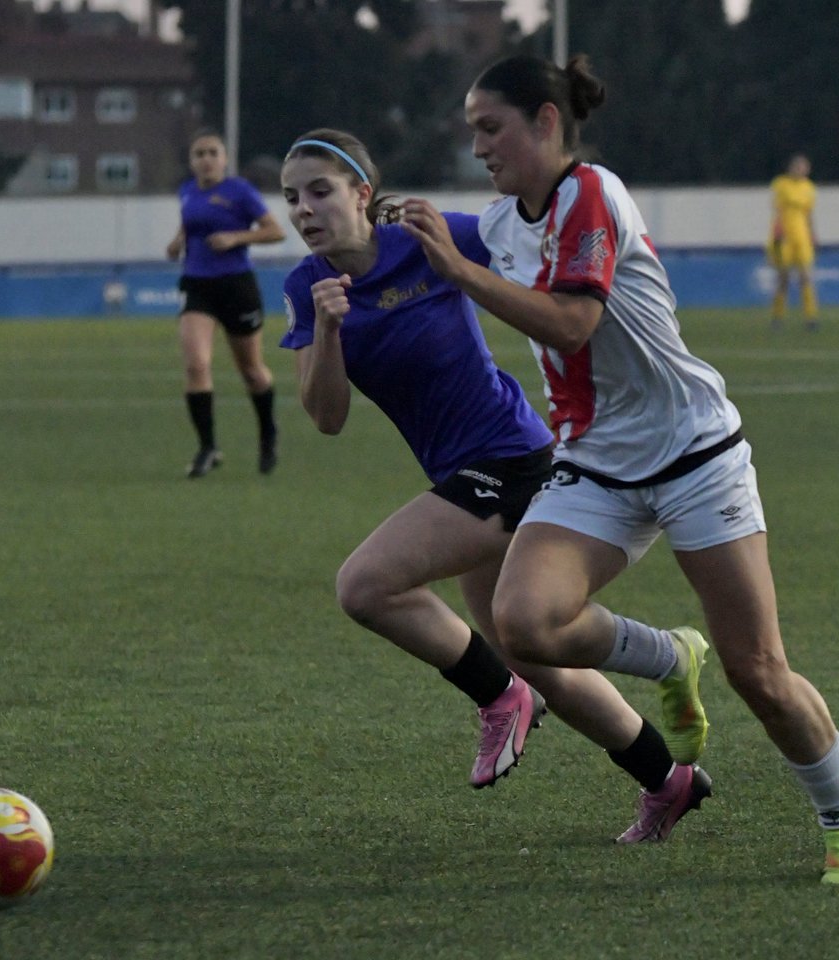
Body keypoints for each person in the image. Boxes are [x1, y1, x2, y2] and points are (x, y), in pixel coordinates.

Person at [402, 55, 839, 883]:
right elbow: (413, 231)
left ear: (546, 121)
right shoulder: (499, 221)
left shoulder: (592, 192)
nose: (477, 145)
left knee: (759, 673)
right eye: (471, 129)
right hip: (596, 462)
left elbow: (574, 324)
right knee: (522, 623)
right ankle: (667, 656)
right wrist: (349, 214)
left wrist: (458, 271)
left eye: (491, 127)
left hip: (696, 455)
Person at [279, 128, 712, 841]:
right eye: (292, 197)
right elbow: (326, 417)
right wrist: (327, 330)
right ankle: (669, 780)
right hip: (461, 475)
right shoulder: (307, 288)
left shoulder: (426, 237)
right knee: (537, 660)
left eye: (320, 190)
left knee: (366, 586)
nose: (304, 209)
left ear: (363, 193)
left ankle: (497, 696)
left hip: (514, 456)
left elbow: (537, 262)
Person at [166, 128, 287, 478]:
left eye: (212, 153)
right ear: (192, 161)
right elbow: (190, 226)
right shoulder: (187, 191)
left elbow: (274, 231)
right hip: (197, 284)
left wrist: (237, 237)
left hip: (236, 285)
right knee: (196, 365)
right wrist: (176, 243)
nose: (205, 159)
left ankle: (268, 433)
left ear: (224, 158)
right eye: (199, 154)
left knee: (251, 370)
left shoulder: (240, 191)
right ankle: (207, 447)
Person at [767, 153, 819, 331]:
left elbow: (809, 213)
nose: (802, 170)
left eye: (804, 167)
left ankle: (811, 317)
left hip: (802, 236)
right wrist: (777, 232)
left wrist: (812, 234)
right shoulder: (781, 184)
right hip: (785, 236)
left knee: (806, 277)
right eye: (798, 166)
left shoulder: (809, 187)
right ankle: (777, 317)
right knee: (784, 278)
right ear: (791, 168)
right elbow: (778, 210)